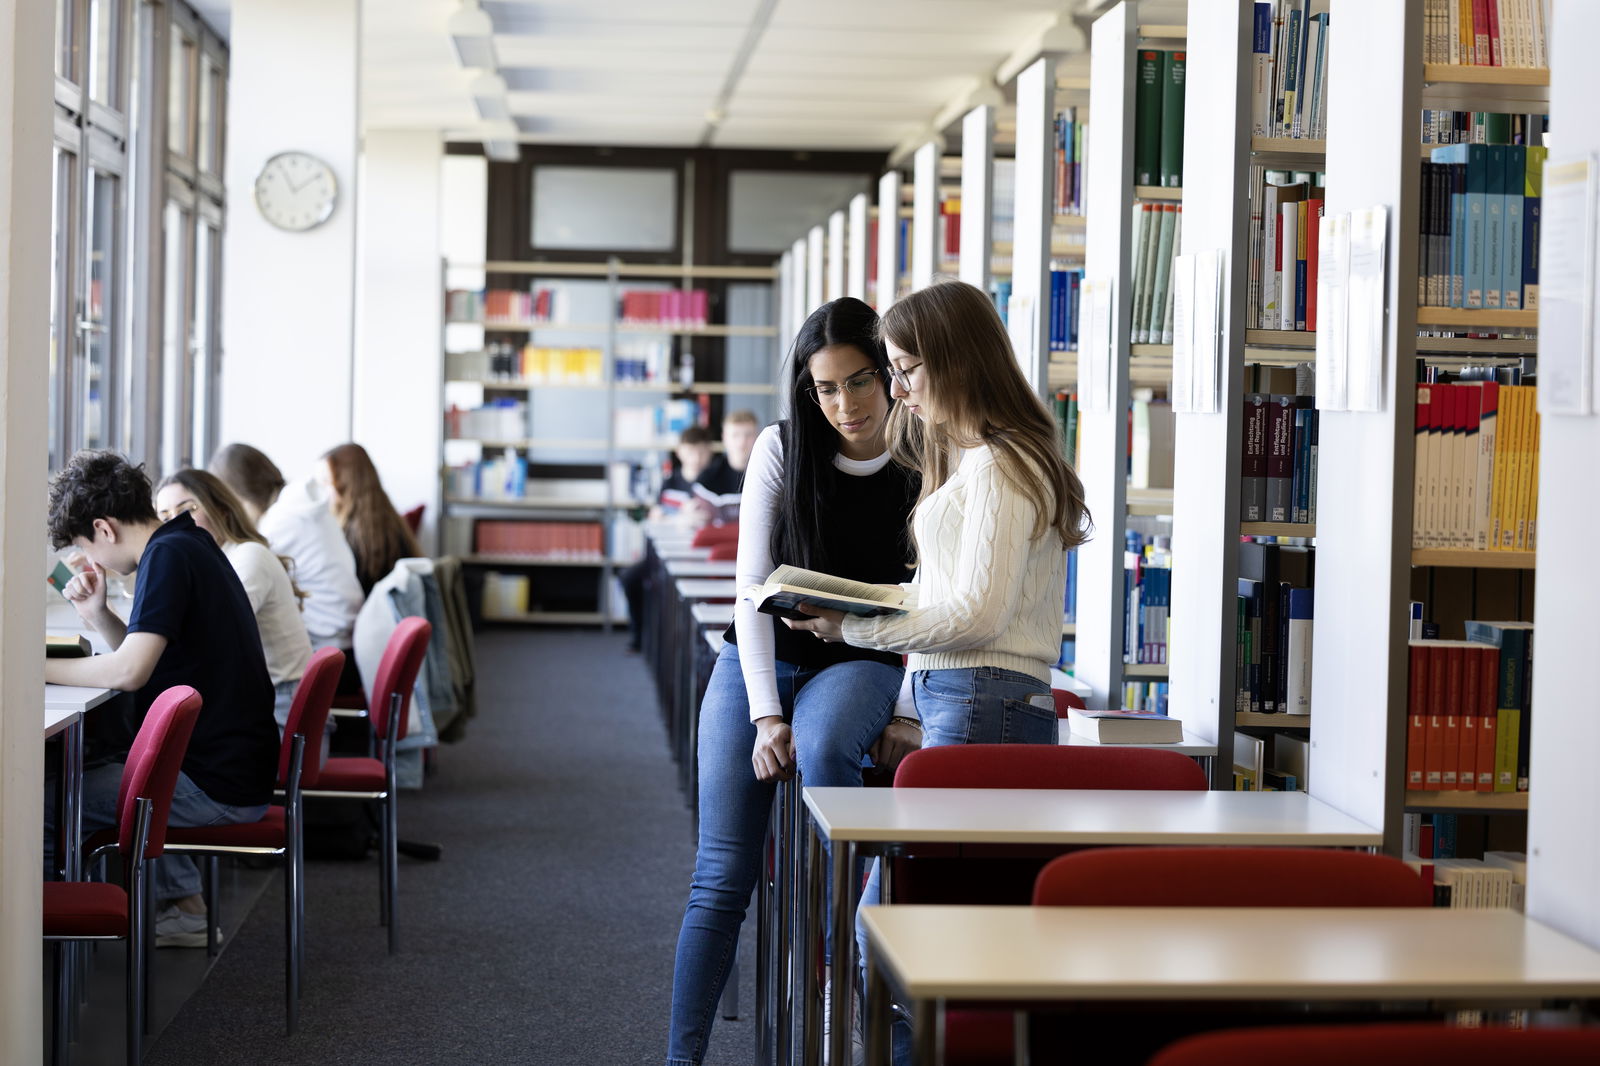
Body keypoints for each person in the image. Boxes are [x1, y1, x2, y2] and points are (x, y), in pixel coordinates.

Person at [784, 280, 1091, 1064]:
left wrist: (854, 624)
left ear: (956, 362)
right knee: (915, 930)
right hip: (965, 695)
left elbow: (978, 618)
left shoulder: (998, 468)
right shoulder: (983, 461)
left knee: (895, 933)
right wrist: (853, 603)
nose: (897, 389)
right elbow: (948, 599)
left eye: (907, 368)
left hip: (981, 699)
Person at [666, 298, 922, 1066]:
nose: (845, 404)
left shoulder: (923, 455)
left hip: (858, 658)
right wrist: (764, 716)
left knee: (823, 751)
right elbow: (748, 590)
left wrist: (906, 708)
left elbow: (938, 607)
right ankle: (682, 1059)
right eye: (825, 388)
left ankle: (844, 991)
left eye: (860, 382)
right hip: (760, 659)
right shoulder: (782, 448)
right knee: (720, 874)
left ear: (889, 374)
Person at [45, 451, 278, 948]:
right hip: (235, 768)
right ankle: (179, 907)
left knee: (48, 802)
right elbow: (145, 654)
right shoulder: (183, 542)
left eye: (87, 546)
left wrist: (28, 670)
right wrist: (97, 614)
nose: (95, 561)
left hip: (219, 785)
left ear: (104, 529)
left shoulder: (167, 557)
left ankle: (45, 948)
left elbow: (131, 671)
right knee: (107, 767)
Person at [154, 469, 314, 740]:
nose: (176, 524)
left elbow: (208, 642)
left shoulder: (247, 557)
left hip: (284, 718)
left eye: (188, 509)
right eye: (164, 517)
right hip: (271, 704)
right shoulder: (219, 560)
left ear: (222, 509)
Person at [209, 442, 364, 654]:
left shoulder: (277, 523)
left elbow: (240, 595)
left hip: (326, 648)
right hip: (346, 639)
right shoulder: (302, 505)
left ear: (236, 497)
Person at [620, 425, 716, 654]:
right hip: (664, 554)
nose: (696, 457)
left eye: (702, 451)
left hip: (701, 557)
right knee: (629, 579)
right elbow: (655, 514)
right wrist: (680, 518)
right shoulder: (670, 481)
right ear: (680, 452)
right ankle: (638, 636)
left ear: (709, 452)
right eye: (691, 451)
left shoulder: (713, 481)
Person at [320, 442, 425, 596]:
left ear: (343, 484)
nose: (321, 493)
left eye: (325, 483)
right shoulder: (388, 521)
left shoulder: (357, 537)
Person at [681, 408, 759, 526]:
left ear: (758, 437)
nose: (742, 442)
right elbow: (692, 513)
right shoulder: (706, 479)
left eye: (748, 435)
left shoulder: (771, 474)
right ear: (725, 438)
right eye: (735, 435)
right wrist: (688, 515)